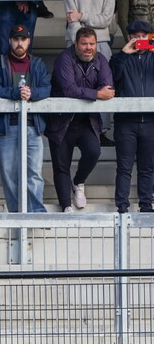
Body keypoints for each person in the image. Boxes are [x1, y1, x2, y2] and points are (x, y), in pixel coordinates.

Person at [46, 27, 114, 213]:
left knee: (94, 151)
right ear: (76, 44)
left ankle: (78, 182)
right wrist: (96, 93)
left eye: (92, 44)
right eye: (84, 44)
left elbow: (107, 87)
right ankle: (66, 207)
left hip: (87, 121)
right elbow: (69, 89)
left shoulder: (100, 60)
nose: (88, 48)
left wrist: (99, 92)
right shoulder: (64, 59)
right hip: (61, 122)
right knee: (61, 166)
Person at [0, 24, 51, 213]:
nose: (19, 43)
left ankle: (36, 213)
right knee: (9, 174)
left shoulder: (37, 64)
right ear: (10, 41)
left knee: (34, 173)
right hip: (6, 128)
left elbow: (47, 88)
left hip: (33, 126)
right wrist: (15, 92)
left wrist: (32, 93)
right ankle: (16, 214)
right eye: (16, 39)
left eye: (23, 39)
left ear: (28, 41)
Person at [111, 20, 154, 213]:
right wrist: (123, 54)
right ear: (129, 37)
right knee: (124, 167)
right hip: (126, 122)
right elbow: (111, 77)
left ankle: (146, 205)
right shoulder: (119, 58)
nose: (140, 40)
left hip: (150, 122)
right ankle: (122, 207)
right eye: (136, 36)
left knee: (147, 167)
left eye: (143, 36)